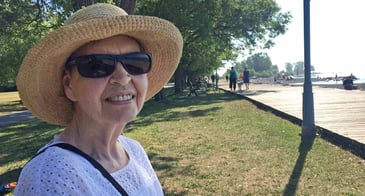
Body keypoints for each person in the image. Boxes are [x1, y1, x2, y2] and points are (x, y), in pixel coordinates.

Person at [14, 3, 183, 195]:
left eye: (135, 62)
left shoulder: (133, 150)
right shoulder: (51, 178)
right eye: (98, 65)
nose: (122, 78)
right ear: (69, 85)